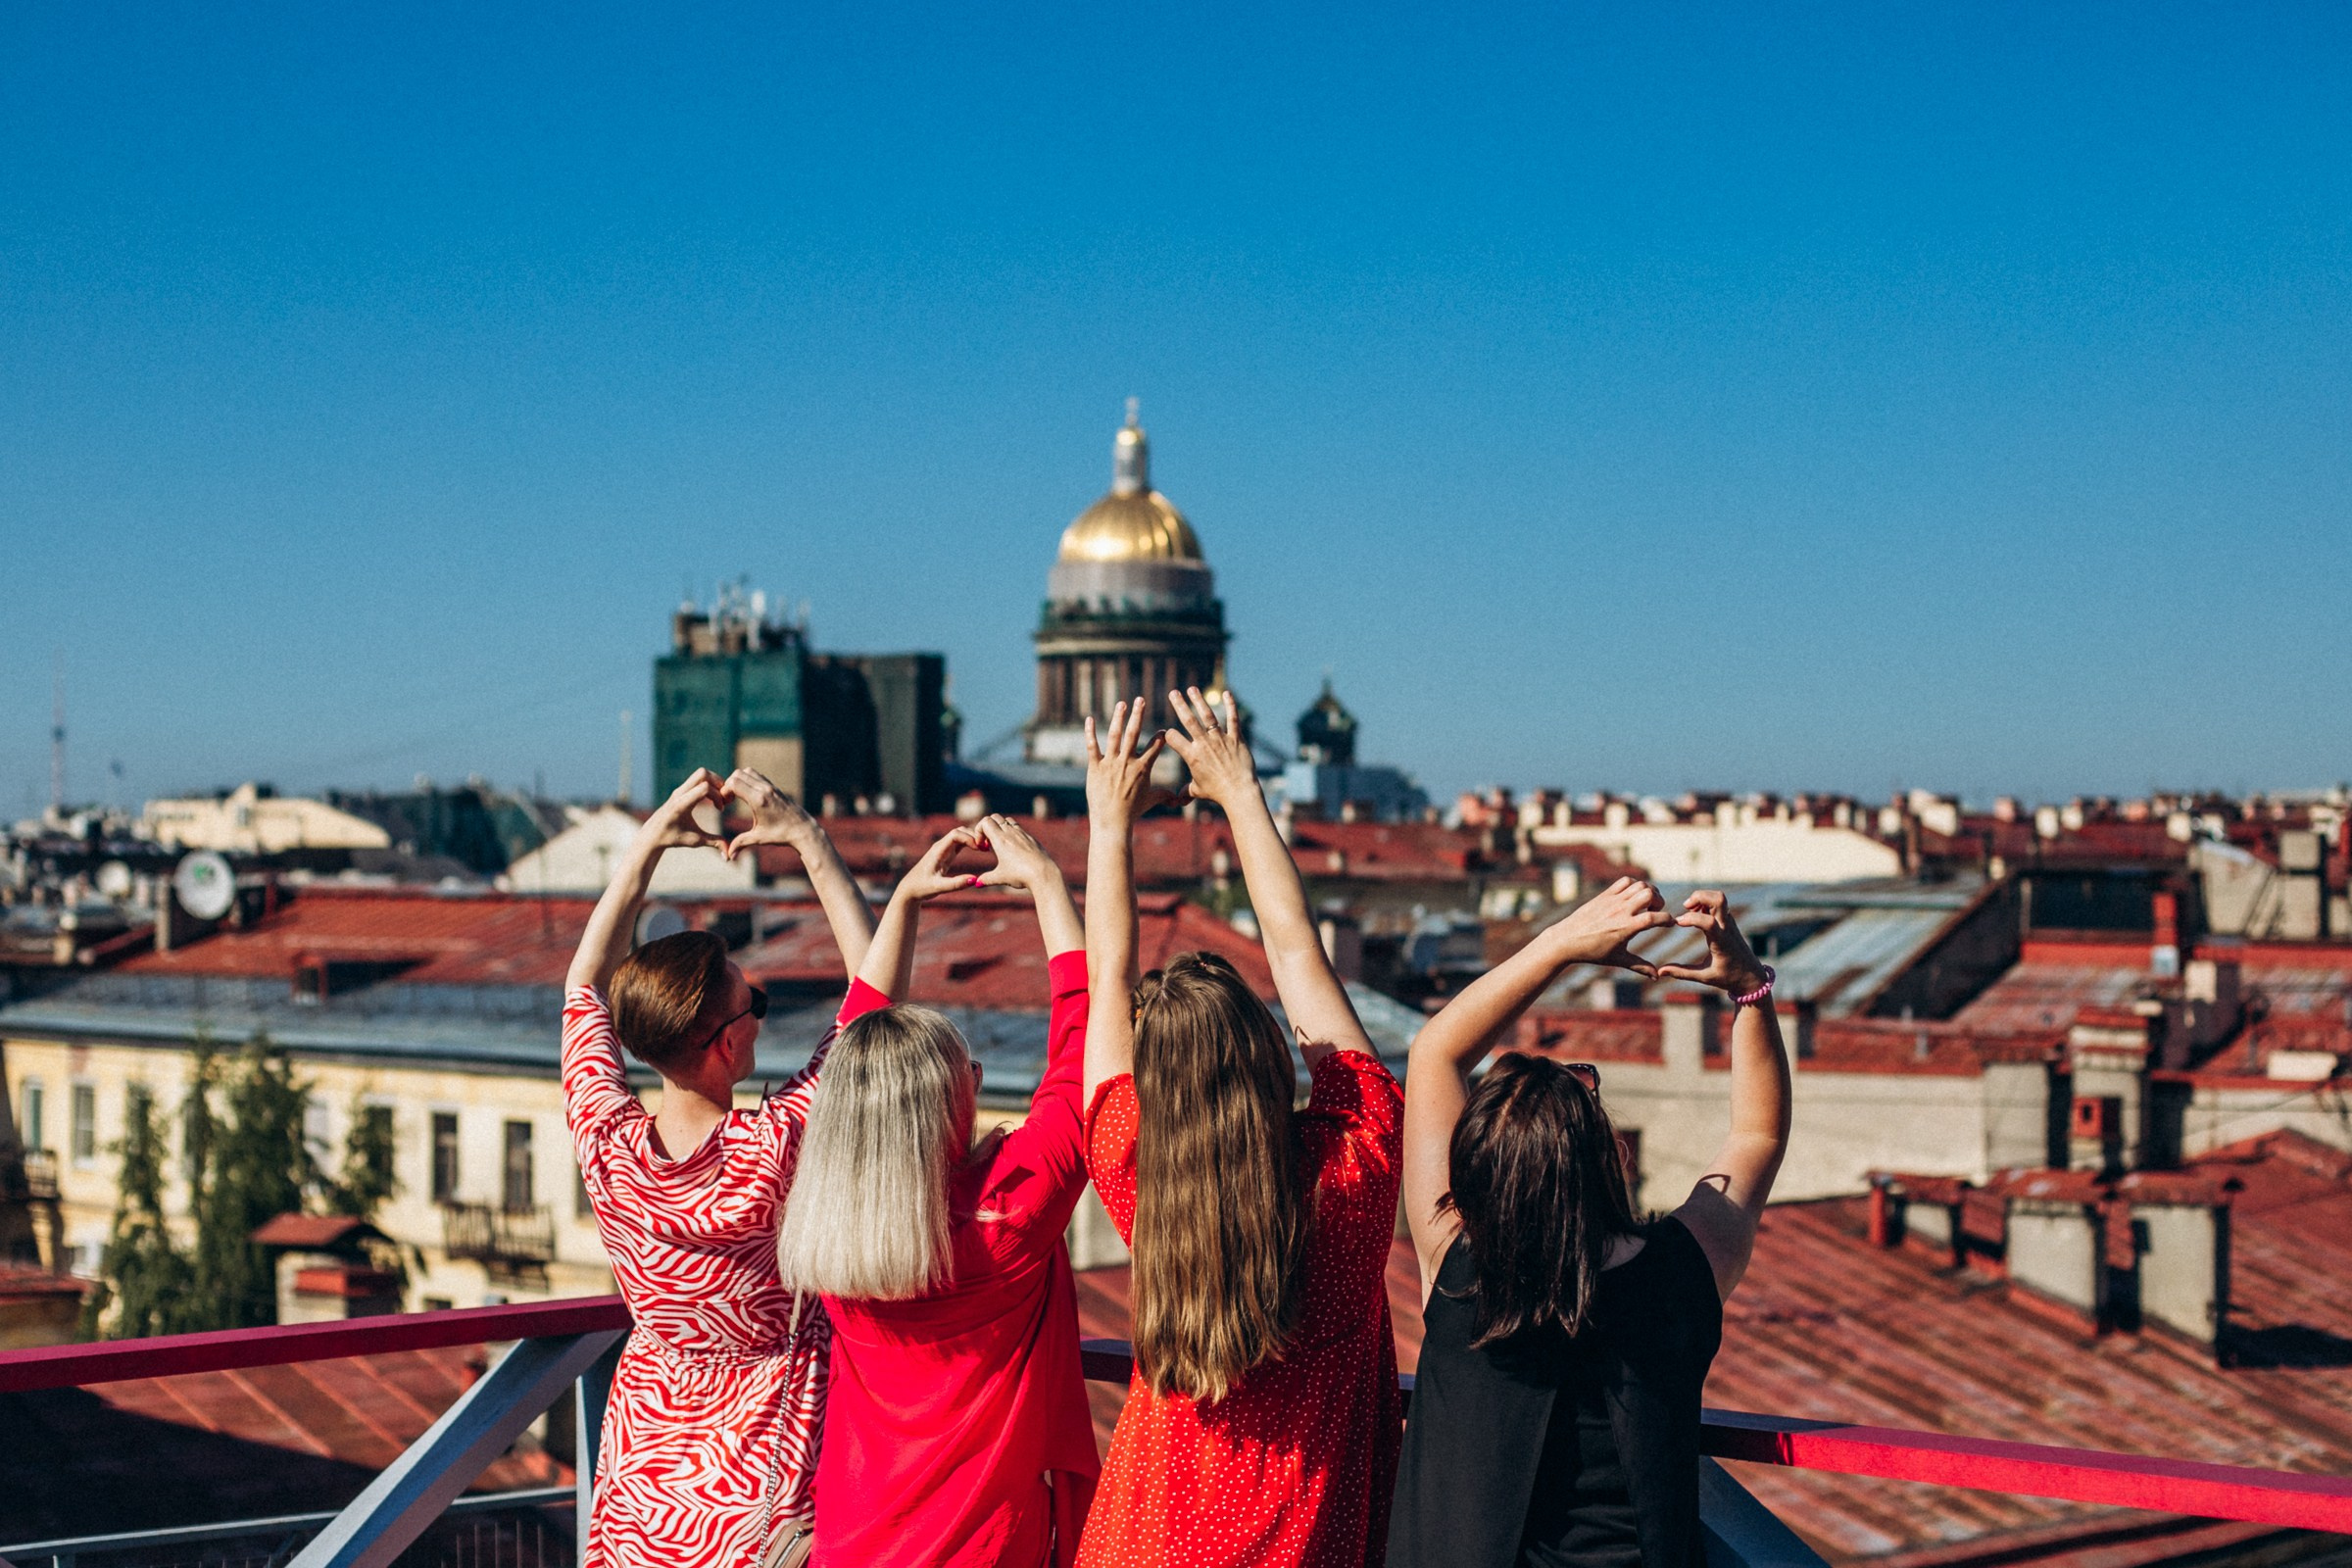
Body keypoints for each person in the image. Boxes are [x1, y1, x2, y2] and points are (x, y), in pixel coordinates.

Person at [1077, 692, 1406, 1568]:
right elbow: (1299, 953)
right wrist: (1240, 792)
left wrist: (1108, 825)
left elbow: (1105, 978)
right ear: (1268, 1054)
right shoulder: (1353, 1168)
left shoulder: (1133, 1173)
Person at [1386, 878, 1794, 1568]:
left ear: (1474, 1176)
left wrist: (1562, 946)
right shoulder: (1681, 1272)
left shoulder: (1455, 1272)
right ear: (1606, 1154)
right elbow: (1757, 1134)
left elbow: (1436, 1053)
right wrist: (1749, 989)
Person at [563, 767, 880, 1568]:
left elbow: (581, 982)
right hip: (765, 1496)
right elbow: (877, 998)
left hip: (643, 1492)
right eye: (755, 1008)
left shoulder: (605, 1142)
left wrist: (647, 846)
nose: (758, 1019)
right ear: (726, 1043)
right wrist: (807, 837)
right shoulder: (774, 1147)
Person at [779, 813, 1101, 1568]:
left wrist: (907, 902)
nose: (980, 1087)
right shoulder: (1012, 1213)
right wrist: (1050, 884)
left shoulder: (830, 1224)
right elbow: (1081, 1046)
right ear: (948, 1110)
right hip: (986, 1549)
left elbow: (858, 1059)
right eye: (970, 1082)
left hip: (851, 1540)